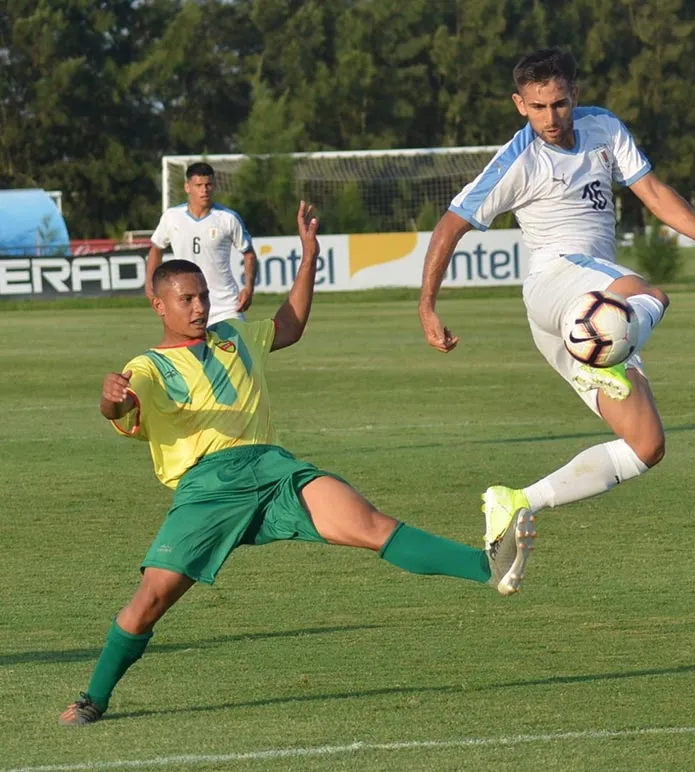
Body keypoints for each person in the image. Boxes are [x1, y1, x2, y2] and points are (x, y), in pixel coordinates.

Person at [58, 202, 537, 727]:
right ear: (159, 305)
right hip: (208, 489)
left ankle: (488, 565)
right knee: (150, 600)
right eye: (186, 300)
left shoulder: (237, 337)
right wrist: (111, 397)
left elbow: (290, 324)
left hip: (274, 470)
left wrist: (308, 255)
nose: (198, 307)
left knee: (370, 524)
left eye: (202, 297)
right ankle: (93, 699)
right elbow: (122, 407)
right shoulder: (147, 366)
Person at [417, 48, 695, 548]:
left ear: (574, 95)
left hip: (586, 312)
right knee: (651, 293)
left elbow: (652, 191)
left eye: (559, 104)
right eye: (538, 107)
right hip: (556, 283)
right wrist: (427, 305)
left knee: (646, 446)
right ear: (519, 104)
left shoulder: (603, 128)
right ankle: (598, 360)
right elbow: (450, 225)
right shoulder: (517, 160)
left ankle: (516, 500)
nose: (551, 117)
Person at [146, 162, 258, 326]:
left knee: (237, 350)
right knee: (192, 352)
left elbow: (249, 255)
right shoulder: (171, 217)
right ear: (187, 187)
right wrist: (150, 283)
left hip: (225, 306)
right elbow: (156, 249)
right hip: (188, 305)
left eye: (208, 185)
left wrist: (249, 288)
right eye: (198, 185)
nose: (204, 190)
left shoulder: (227, 218)